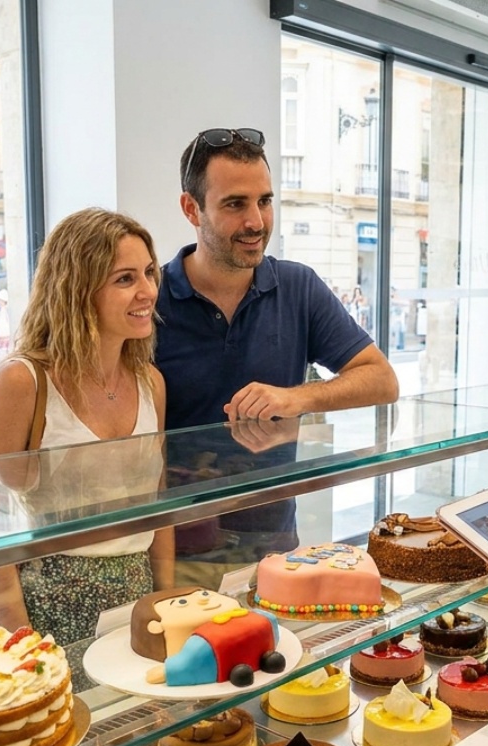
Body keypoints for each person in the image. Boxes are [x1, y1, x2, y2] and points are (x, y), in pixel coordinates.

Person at [156, 127, 398, 585]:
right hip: (174, 553)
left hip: (273, 547)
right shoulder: (150, 301)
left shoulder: (298, 287)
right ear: (192, 208)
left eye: (264, 201)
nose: (256, 221)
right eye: (235, 204)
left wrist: (297, 398)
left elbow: (381, 379)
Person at [0, 208, 173, 643]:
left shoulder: (150, 382)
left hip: (135, 595)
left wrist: (166, 602)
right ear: (77, 290)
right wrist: (22, 640)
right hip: (46, 602)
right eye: (125, 279)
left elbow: (158, 508)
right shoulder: (23, 380)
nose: (148, 292)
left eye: (149, 273)